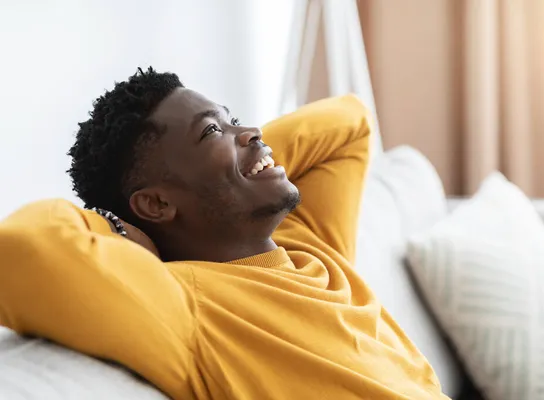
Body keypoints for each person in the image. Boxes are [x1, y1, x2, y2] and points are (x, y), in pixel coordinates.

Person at [0, 68, 449, 400]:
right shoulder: (185, 306)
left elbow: (349, 122)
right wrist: (117, 228)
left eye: (232, 118)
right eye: (212, 131)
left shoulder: (310, 241)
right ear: (155, 204)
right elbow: (21, 250)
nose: (250, 131)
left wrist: (239, 156)